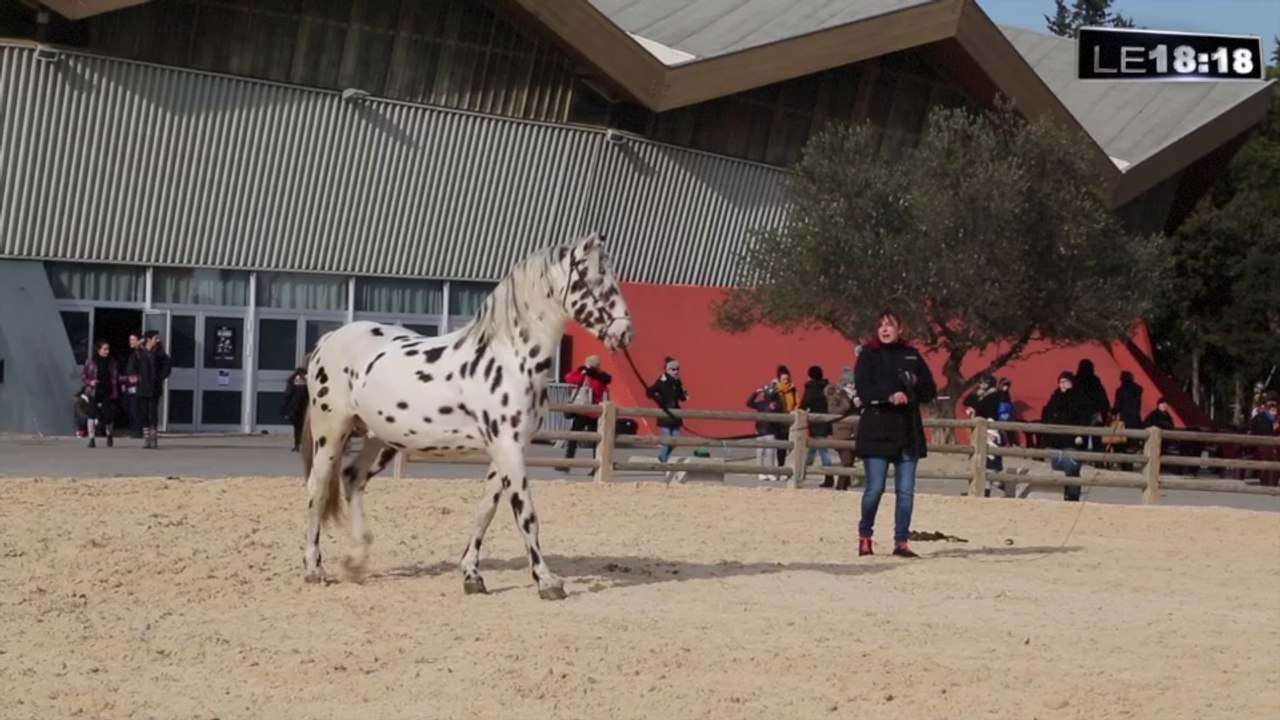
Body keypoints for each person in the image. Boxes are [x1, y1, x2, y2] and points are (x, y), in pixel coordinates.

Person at [853, 310, 937, 558]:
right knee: (875, 489)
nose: (885, 330)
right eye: (881, 326)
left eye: (890, 325)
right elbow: (864, 388)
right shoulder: (869, 355)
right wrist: (889, 395)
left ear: (900, 329)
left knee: (906, 491)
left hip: (907, 431)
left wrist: (914, 384)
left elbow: (930, 390)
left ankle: (901, 542)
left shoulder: (912, 355)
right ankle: (865, 536)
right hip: (877, 430)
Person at [1041, 371, 1093, 501]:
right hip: (1056, 440)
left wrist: (1080, 435)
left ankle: (1072, 495)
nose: (1063, 385)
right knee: (1055, 468)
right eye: (1060, 382)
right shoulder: (1055, 398)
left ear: (1072, 383)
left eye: (1066, 382)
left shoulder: (1080, 398)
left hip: (1072, 441)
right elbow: (1047, 416)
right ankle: (1059, 495)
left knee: (1071, 467)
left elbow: (1084, 419)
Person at [558, 355, 612, 472]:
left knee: (573, 437)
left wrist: (582, 370)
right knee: (595, 441)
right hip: (595, 412)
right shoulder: (602, 377)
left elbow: (570, 378)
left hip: (584, 411)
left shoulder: (587, 375)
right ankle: (595, 467)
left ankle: (567, 463)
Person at [127, 330, 171, 449]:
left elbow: (167, 366)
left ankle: (153, 438)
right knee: (144, 413)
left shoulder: (160, 353)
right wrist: (134, 376)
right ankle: (146, 438)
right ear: (148, 339)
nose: (158, 340)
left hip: (155, 387)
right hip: (142, 387)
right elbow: (131, 367)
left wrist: (160, 377)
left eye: (158, 338)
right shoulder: (138, 353)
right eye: (155, 338)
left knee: (153, 413)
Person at [646, 357, 687, 464]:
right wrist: (659, 399)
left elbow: (681, 397)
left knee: (676, 439)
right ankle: (663, 461)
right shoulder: (662, 380)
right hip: (665, 413)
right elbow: (649, 392)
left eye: (677, 369)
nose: (676, 371)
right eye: (673, 369)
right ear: (667, 370)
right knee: (667, 440)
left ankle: (663, 457)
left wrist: (684, 395)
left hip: (676, 414)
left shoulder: (678, 382)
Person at [800, 365, 836, 485]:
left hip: (815, 422)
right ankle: (802, 473)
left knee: (823, 451)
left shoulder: (811, 388)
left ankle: (828, 476)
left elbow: (805, 403)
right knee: (812, 449)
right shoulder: (828, 388)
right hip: (826, 421)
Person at [82, 340, 121, 448]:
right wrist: (91, 382)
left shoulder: (112, 362)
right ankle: (91, 438)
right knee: (92, 413)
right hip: (94, 391)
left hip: (107, 390)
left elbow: (116, 377)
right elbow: (83, 375)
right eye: (104, 349)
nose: (107, 351)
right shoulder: (91, 361)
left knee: (108, 415)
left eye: (108, 349)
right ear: (99, 350)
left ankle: (109, 435)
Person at [746, 383, 785, 481]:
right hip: (760, 431)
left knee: (770, 453)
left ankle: (770, 472)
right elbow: (749, 403)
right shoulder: (761, 403)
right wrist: (755, 393)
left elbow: (778, 412)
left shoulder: (777, 404)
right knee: (760, 452)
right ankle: (760, 472)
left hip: (771, 431)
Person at [281, 367, 310, 452]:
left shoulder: (292, 382)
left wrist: (285, 409)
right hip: (305, 408)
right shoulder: (308, 383)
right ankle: (303, 445)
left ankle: (297, 445)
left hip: (295, 409)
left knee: (297, 428)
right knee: (305, 428)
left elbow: (287, 395)